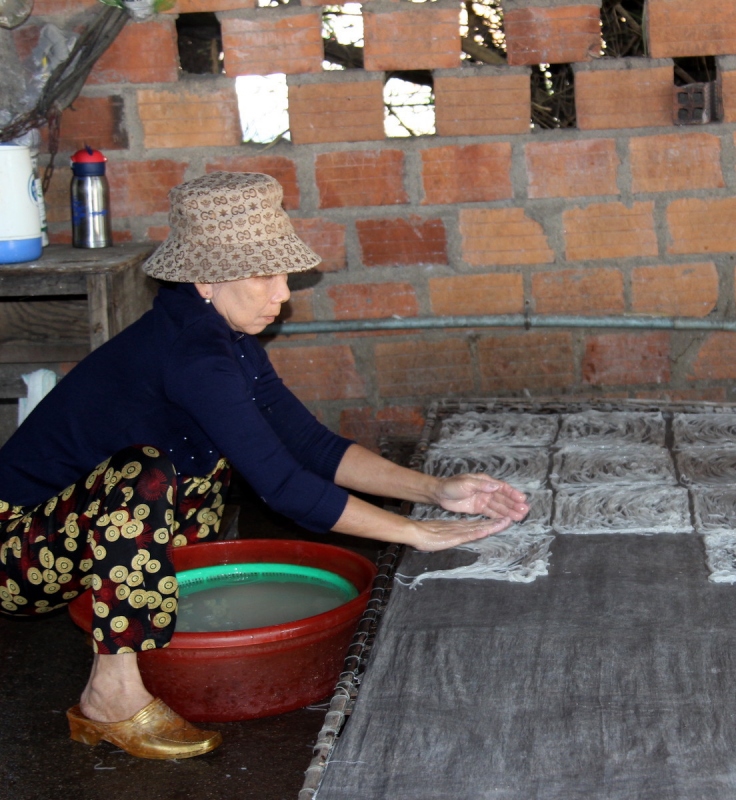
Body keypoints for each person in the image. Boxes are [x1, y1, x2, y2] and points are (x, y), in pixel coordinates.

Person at [0, 172, 529, 759]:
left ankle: (166, 636)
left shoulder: (224, 339)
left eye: (283, 274)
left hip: (85, 544)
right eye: (265, 275)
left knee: (199, 470)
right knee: (146, 475)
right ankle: (111, 693)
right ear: (206, 278)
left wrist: (433, 488)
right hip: (18, 552)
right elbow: (282, 486)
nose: (283, 294)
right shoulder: (193, 353)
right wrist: (412, 532)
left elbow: (312, 447)